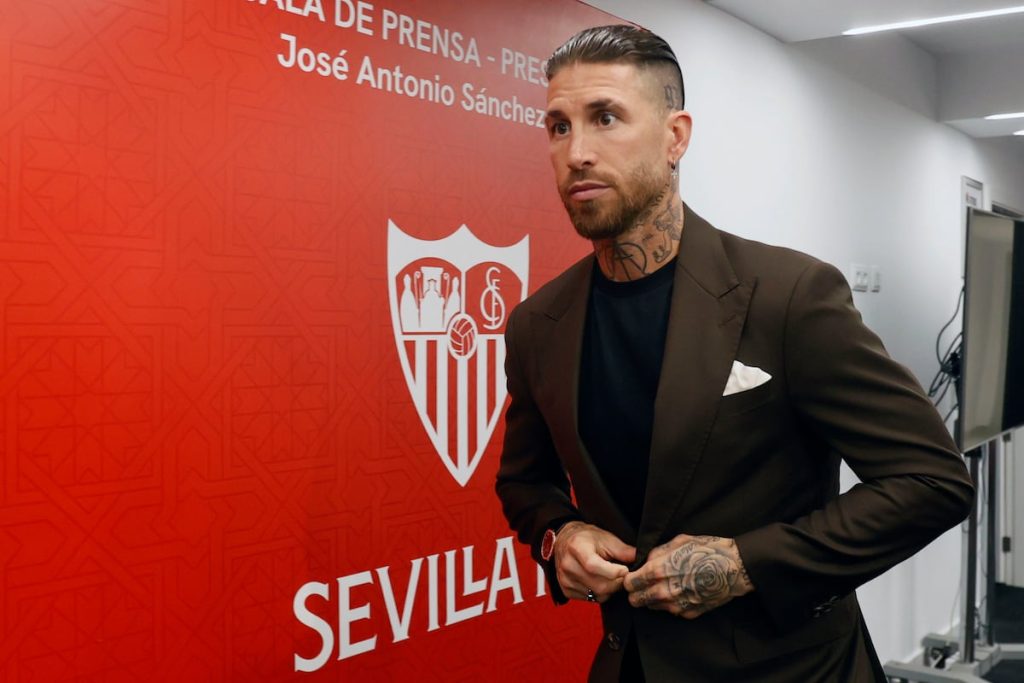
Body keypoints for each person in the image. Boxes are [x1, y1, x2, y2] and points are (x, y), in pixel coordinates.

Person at [494, 24, 974, 683]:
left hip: (794, 670)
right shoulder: (537, 325)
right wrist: (560, 535)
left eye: (605, 118)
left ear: (675, 136)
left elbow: (931, 482)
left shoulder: (789, 296)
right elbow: (524, 482)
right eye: (558, 126)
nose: (577, 152)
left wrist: (747, 563)